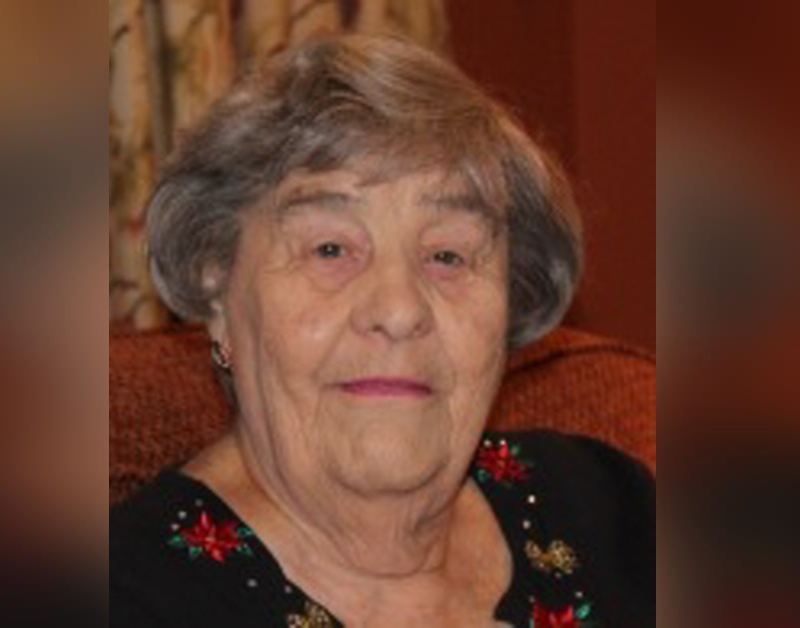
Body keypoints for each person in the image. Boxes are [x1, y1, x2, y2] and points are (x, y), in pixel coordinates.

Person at [111, 33, 653, 627]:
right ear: (217, 287)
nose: (399, 310)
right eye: (330, 249)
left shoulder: (615, 515)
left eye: (447, 256)